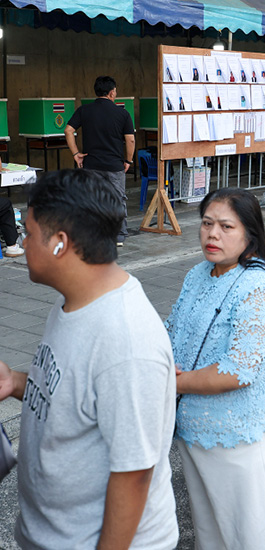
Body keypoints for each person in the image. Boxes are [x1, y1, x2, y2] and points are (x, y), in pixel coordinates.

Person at [0, 170, 177, 549]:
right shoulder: (75, 301)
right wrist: (14, 382)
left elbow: (134, 473)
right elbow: (69, 391)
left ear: (60, 244)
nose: (22, 242)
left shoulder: (126, 341)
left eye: (28, 232)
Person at [167, 188, 265, 548]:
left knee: (250, 536)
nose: (213, 234)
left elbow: (238, 371)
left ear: (250, 234)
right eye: (207, 224)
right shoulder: (198, 274)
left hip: (239, 435)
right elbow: (173, 331)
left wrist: (172, 382)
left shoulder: (261, 287)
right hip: (193, 432)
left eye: (226, 226)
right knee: (210, 533)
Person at [64, 76, 135, 246]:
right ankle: (118, 236)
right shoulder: (122, 113)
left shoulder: (84, 110)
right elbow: (130, 140)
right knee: (117, 199)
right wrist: (128, 160)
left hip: (91, 164)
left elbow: (68, 131)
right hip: (114, 165)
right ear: (111, 93)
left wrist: (76, 154)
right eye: (115, 90)